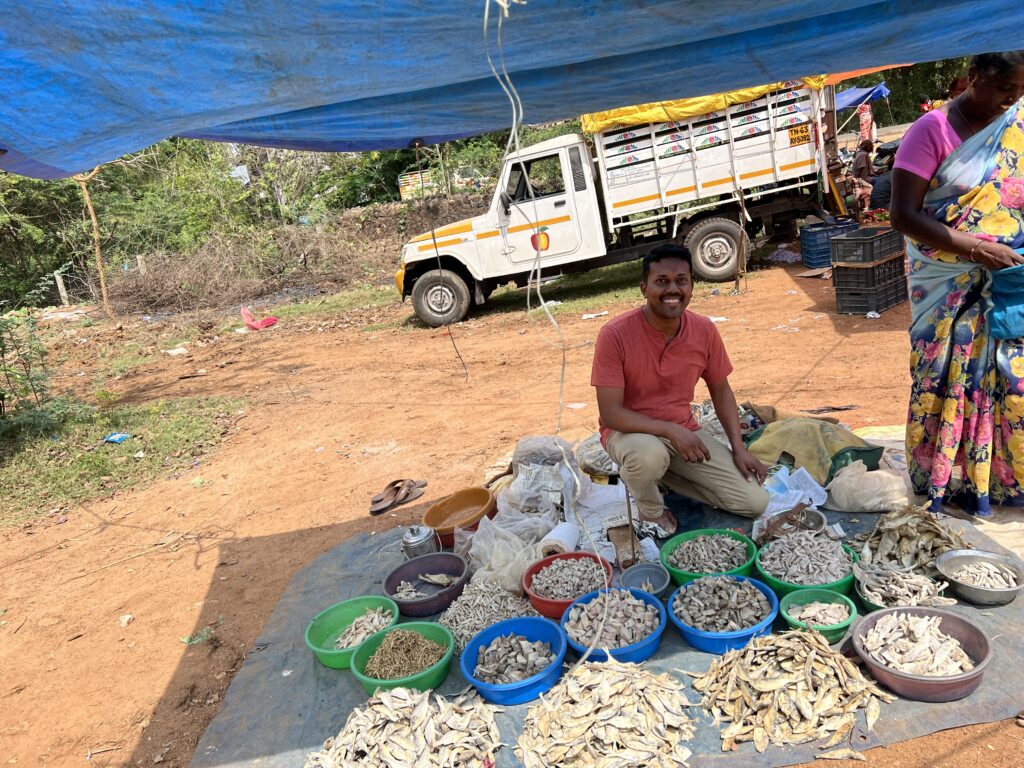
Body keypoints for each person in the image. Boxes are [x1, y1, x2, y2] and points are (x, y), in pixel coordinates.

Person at [890, 50, 1024, 515]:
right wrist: (976, 249)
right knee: (943, 375)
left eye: (1021, 92)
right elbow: (903, 215)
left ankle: (995, 483)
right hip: (946, 282)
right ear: (973, 78)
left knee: (1004, 381)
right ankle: (942, 480)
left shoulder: (1015, 127)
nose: (1012, 101)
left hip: (1004, 282)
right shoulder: (932, 130)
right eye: (1006, 90)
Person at [590, 244, 769, 536]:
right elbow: (611, 414)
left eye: (680, 281)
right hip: (629, 434)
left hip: (683, 433)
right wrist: (671, 431)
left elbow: (721, 390)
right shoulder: (615, 334)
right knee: (647, 456)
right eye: (661, 281)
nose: (672, 289)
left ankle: (664, 476)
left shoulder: (704, 330)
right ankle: (651, 509)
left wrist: (739, 449)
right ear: (643, 287)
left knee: (755, 502)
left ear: (691, 286)